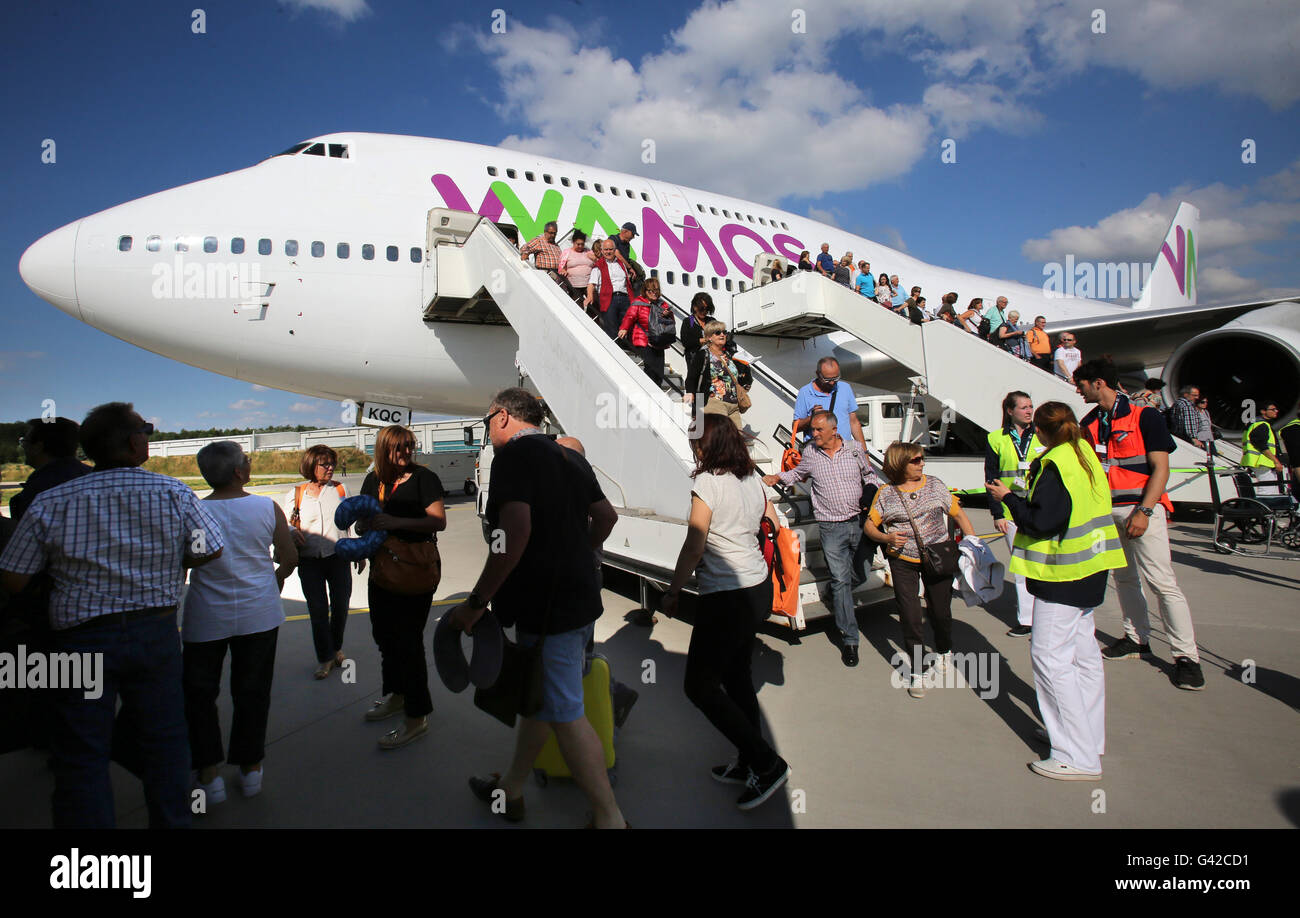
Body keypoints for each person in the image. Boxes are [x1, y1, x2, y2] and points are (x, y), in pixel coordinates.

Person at [0, 402, 225, 828]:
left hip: (81, 641)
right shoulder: (173, 492)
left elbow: (13, 579)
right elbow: (209, 548)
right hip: (154, 634)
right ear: (133, 441)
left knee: (81, 755)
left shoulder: (50, 501)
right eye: (144, 429)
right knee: (164, 745)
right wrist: (166, 562)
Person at [453, 388, 627, 828]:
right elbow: (606, 518)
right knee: (541, 697)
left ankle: (609, 819)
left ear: (504, 416)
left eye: (489, 418)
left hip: (546, 606)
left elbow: (512, 533)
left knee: (565, 711)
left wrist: (477, 602)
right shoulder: (568, 456)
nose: (489, 428)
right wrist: (577, 556)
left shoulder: (513, 456)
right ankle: (510, 790)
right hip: (578, 598)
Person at [987, 402, 1126, 781]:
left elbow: (1042, 520)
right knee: (1084, 657)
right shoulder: (1084, 454)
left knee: (1050, 659)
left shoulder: (1055, 464)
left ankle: (1076, 755)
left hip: (1061, 574)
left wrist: (1009, 499)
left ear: (1043, 434)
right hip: (1091, 568)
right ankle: (1086, 737)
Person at [661, 414, 791, 810]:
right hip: (756, 588)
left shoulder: (707, 482)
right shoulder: (752, 478)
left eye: (695, 441)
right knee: (736, 678)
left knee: (698, 687)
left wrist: (673, 590)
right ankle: (749, 758)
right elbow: (765, 521)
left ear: (709, 444)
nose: (692, 447)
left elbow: (695, 543)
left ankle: (767, 763)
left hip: (727, 595)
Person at [1074, 359, 1204, 691]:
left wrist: (1144, 512)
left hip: (1141, 509)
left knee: (1162, 583)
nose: (1079, 390)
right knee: (1125, 578)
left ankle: (1186, 657)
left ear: (1099, 383)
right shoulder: (1089, 422)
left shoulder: (1145, 416)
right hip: (1109, 513)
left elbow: (1161, 468)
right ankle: (1136, 639)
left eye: (1082, 384)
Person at [184, 442, 297, 803]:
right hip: (258, 614)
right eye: (246, 461)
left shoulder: (195, 511)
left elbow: (187, 560)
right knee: (252, 691)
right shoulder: (265, 506)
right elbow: (289, 555)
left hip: (205, 617)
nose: (249, 464)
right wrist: (276, 578)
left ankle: (208, 773)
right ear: (238, 472)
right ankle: (250, 769)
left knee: (200, 695)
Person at [763, 410, 880, 665]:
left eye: (818, 430)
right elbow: (797, 474)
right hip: (830, 527)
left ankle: (832, 592)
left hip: (859, 524)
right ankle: (850, 640)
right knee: (840, 578)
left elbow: (870, 475)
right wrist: (777, 477)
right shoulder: (811, 453)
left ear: (833, 430)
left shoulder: (854, 449)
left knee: (861, 572)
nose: (813, 434)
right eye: (813, 430)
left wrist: (869, 491)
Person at [358, 425, 447, 747]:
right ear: (384, 449)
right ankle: (397, 694)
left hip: (415, 569)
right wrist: (363, 532)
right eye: (400, 448)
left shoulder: (424, 478)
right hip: (382, 569)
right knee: (384, 636)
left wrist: (396, 522)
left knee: (408, 643)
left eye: (410, 446)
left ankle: (416, 716)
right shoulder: (373, 480)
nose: (407, 452)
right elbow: (363, 518)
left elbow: (438, 520)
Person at [864, 443, 975, 698]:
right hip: (902, 561)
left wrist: (974, 546)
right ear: (900, 463)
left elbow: (959, 515)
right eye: (916, 460)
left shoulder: (935, 485)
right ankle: (917, 670)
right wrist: (887, 538)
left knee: (940, 612)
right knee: (910, 614)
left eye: (922, 459)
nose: (922, 463)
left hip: (938, 558)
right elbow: (869, 527)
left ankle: (944, 649)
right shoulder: (886, 493)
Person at [282, 445, 361, 680]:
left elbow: (350, 523)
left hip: (338, 558)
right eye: (324, 464)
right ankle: (324, 658)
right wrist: (290, 531)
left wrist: (358, 550)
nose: (330, 468)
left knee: (340, 607)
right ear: (311, 466)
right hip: (309, 561)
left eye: (332, 464)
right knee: (317, 610)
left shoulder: (339, 489)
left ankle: (335, 647)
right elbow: (284, 523)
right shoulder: (296, 493)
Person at [985, 391, 1046, 637]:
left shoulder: (1042, 434)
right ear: (1010, 411)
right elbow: (991, 477)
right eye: (1023, 407)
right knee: (1021, 565)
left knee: (1044, 562)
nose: (1029, 411)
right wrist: (997, 513)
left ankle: (1047, 616)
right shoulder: (996, 438)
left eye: (1031, 406)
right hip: (1011, 511)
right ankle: (1028, 619)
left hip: (1038, 508)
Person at [8, 417, 90, 524]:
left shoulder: (38, 489)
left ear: (38, 447)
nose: (23, 446)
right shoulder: (91, 475)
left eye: (25, 441)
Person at [792, 357, 868, 450]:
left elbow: (854, 422)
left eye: (836, 378)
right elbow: (795, 427)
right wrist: (811, 418)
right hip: (818, 453)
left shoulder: (845, 388)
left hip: (845, 452)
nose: (832, 383)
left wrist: (865, 453)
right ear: (818, 374)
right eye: (827, 380)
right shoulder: (805, 392)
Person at [684, 320, 745, 430]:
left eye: (724, 332)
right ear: (709, 337)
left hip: (733, 405)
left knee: (738, 439)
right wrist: (690, 394)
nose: (722, 334)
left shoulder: (728, 355)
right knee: (721, 438)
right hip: (715, 402)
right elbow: (691, 377)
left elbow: (734, 377)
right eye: (717, 332)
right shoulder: (703, 355)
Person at [618, 276, 671, 386]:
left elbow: (670, 323)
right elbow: (630, 316)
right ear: (645, 291)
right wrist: (624, 328)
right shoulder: (638, 302)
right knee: (650, 367)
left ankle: (657, 390)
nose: (653, 293)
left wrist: (667, 315)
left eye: (656, 290)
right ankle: (648, 390)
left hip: (659, 340)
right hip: (643, 338)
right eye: (650, 290)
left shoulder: (663, 304)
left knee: (659, 370)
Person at [585, 238, 634, 339]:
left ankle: (625, 350)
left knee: (627, 327)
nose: (608, 252)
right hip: (609, 300)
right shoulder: (598, 266)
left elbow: (627, 283)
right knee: (611, 329)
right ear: (602, 251)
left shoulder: (621, 264)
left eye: (610, 249)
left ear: (614, 250)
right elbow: (591, 283)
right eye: (606, 250)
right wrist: (589, 296)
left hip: (625, 298)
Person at [1241, 402, 1285, 485]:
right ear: (1263, 411)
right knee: (1267, 489)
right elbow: (1261, 445)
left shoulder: (1256, 424)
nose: (1276, 411)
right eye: (1273, 409)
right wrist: (1276, 461)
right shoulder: (1261, 425)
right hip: (1262, 462)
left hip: (1262, 463)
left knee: (1271, 488)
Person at [558, 230, 597, 307]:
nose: (580, 246)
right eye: (578, 244)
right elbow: (560, 267)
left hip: (589, 286)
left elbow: (597, 263)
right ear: (573, 242)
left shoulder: (589, 252)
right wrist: (562, 270)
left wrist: (594, 258)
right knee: (576, 306)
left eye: (582, 244)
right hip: (573, 286)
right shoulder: (567, 252)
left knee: (594, 307)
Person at [681, 292, 714, 365]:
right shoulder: (689, 320)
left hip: (711, 359)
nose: (704, 311)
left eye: (707, 309)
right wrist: (703, 340)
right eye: (701, 308)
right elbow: (685, 341)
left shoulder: (711, 321)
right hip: (694, 358)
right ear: (695, 307)